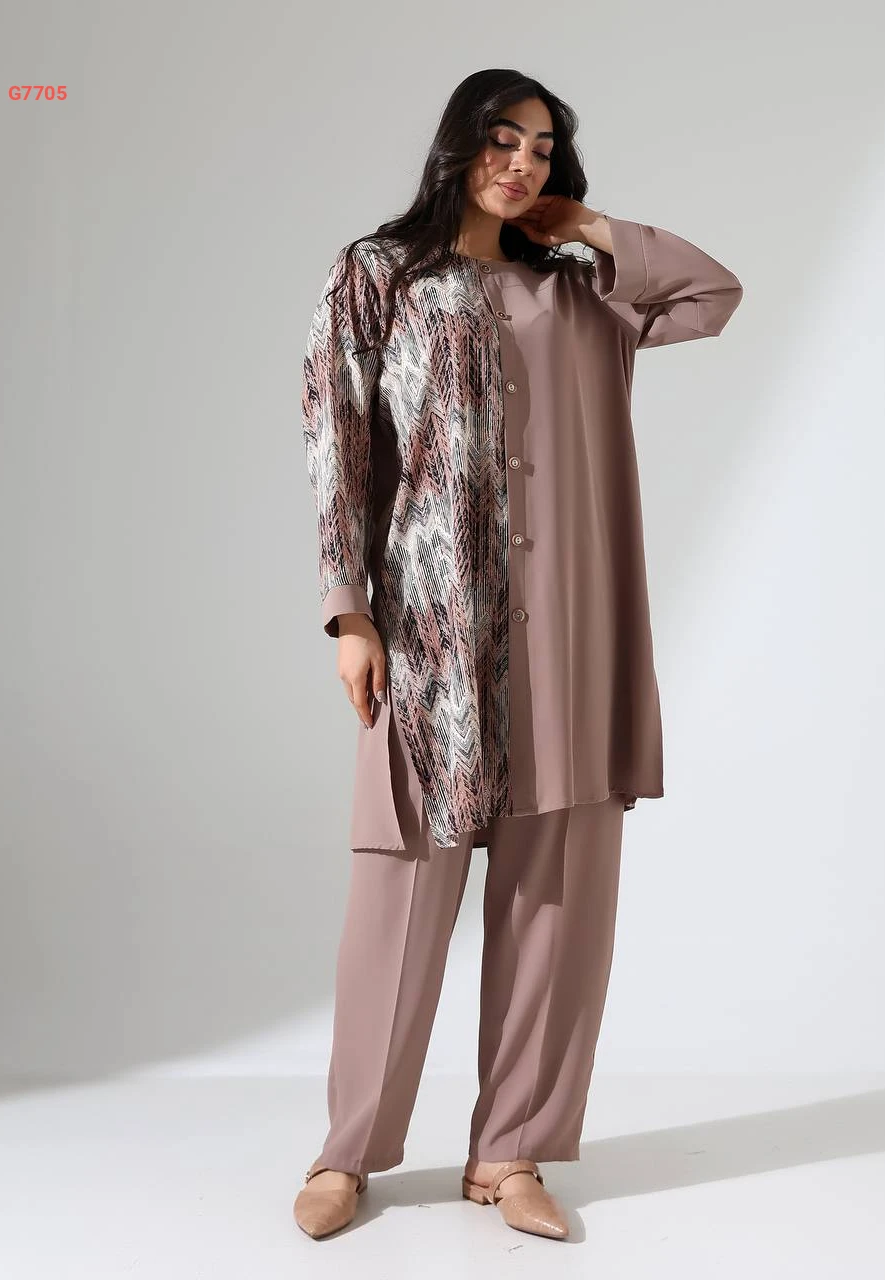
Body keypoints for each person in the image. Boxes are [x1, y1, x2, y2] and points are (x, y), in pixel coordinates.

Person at [293, 68, 743, 1243]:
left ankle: (513, 1150)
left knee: (558, 896)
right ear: (458, 145)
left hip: (574, 633)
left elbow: (712, 293)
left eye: (544, 148)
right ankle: (349, 1150)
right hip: (436, 632)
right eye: (503, 140)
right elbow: (337, 440)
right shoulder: (381, 274)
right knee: (400, 892)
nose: (523, 162)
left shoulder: (583, 288)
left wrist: (589, 226)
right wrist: (350, 611)